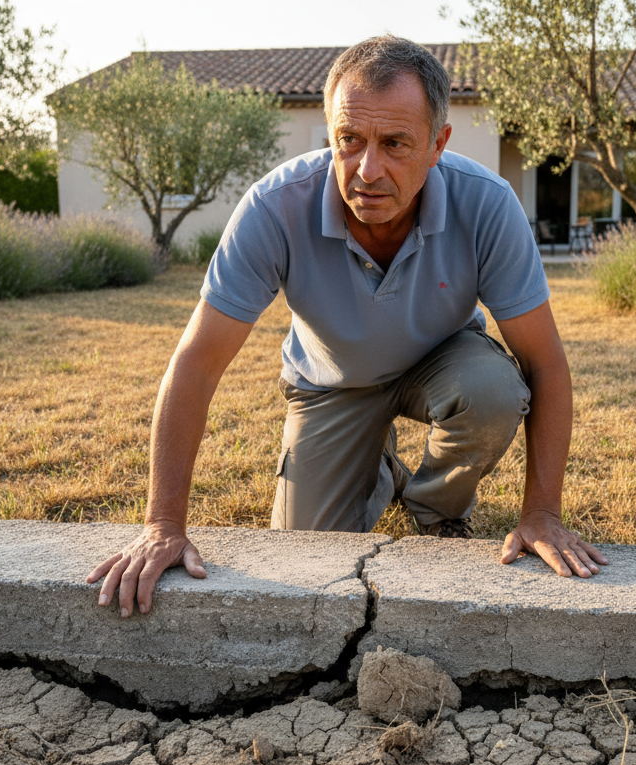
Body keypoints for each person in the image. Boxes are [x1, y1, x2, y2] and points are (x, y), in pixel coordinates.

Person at [87, 35, 608, 617]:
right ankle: (376, 463)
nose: (368, 169)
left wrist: (541, 512)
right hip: (330, 384)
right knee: (306, 554)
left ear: (438, 145)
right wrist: (162, 524)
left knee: (494, 391)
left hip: (442, 362)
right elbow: (198, 360)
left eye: (394, 144)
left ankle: (434, 511)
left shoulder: (486, 204)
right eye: (349, 141)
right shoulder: (275, 208)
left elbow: (545, 363)